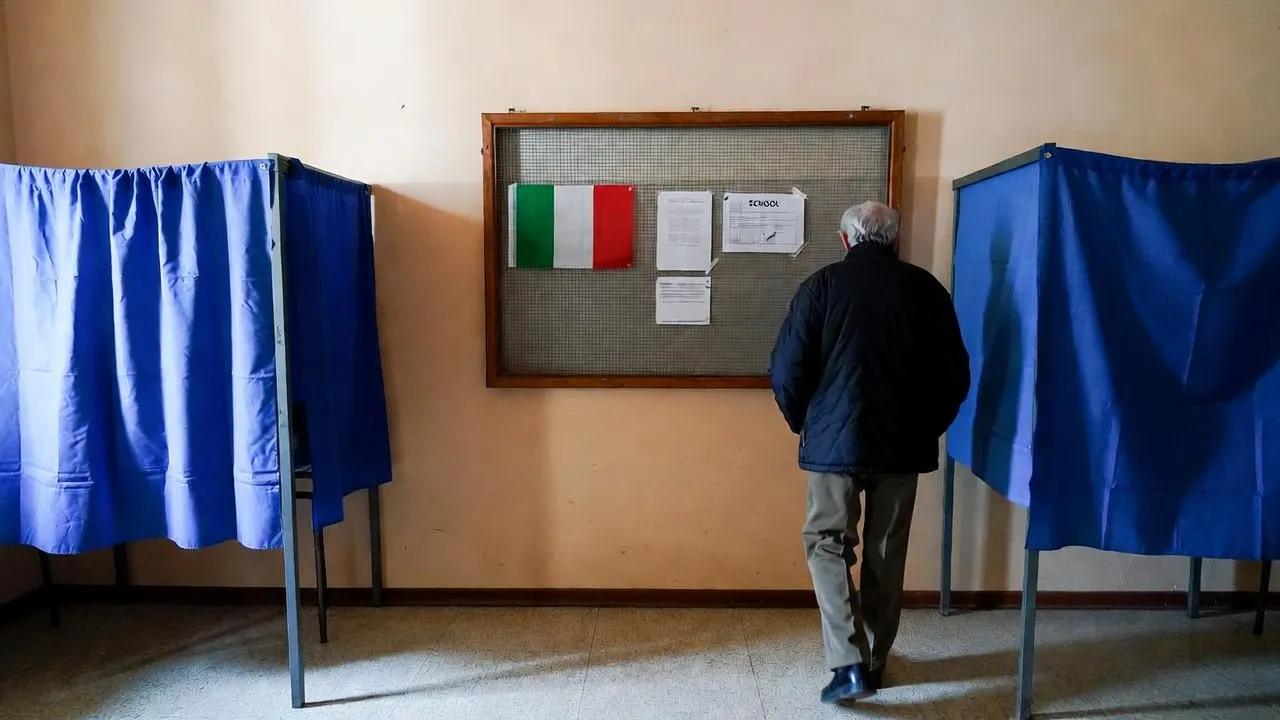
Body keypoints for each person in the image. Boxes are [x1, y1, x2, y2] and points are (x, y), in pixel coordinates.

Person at [769, 201, 971, 704]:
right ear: (895, 241)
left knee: (827, 545)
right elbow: (954, 376)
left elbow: (787, 370)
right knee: (886, 549)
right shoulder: (926, 290)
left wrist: (809, 427)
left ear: (845, 241)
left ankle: (848, 662)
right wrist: (928, 426)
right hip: (903, 444)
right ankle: (877, 659)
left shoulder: (821, 287)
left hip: (834, 447)